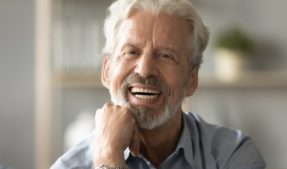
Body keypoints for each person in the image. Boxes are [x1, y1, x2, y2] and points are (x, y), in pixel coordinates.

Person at [51, 0, 266, 169]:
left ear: (192, 79)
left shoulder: (232, 156)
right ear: (107, 71)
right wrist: (108, 154)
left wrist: (109, 162)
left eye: (165, 55)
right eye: (131, 52)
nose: (144, 70)